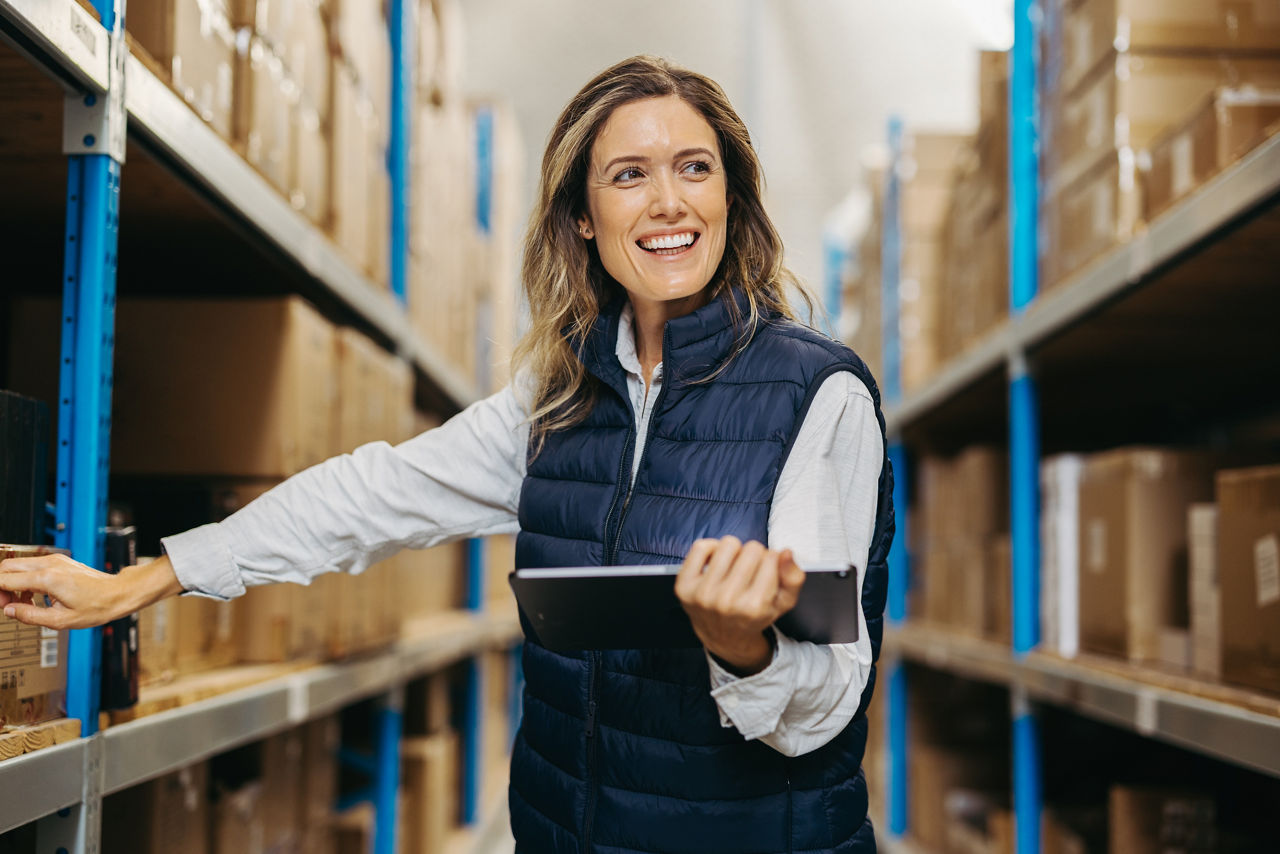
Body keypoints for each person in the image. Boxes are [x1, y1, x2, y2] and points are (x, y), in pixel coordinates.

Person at [0, 55, 893, 853]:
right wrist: (150, 577)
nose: (669, 202)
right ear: (581, 217)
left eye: (695, 168)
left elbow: (826, 706)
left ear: (729, 195)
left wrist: (742, 649)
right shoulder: (559, 398)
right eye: (630, 176)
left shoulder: (818, 395)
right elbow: (371, 497)